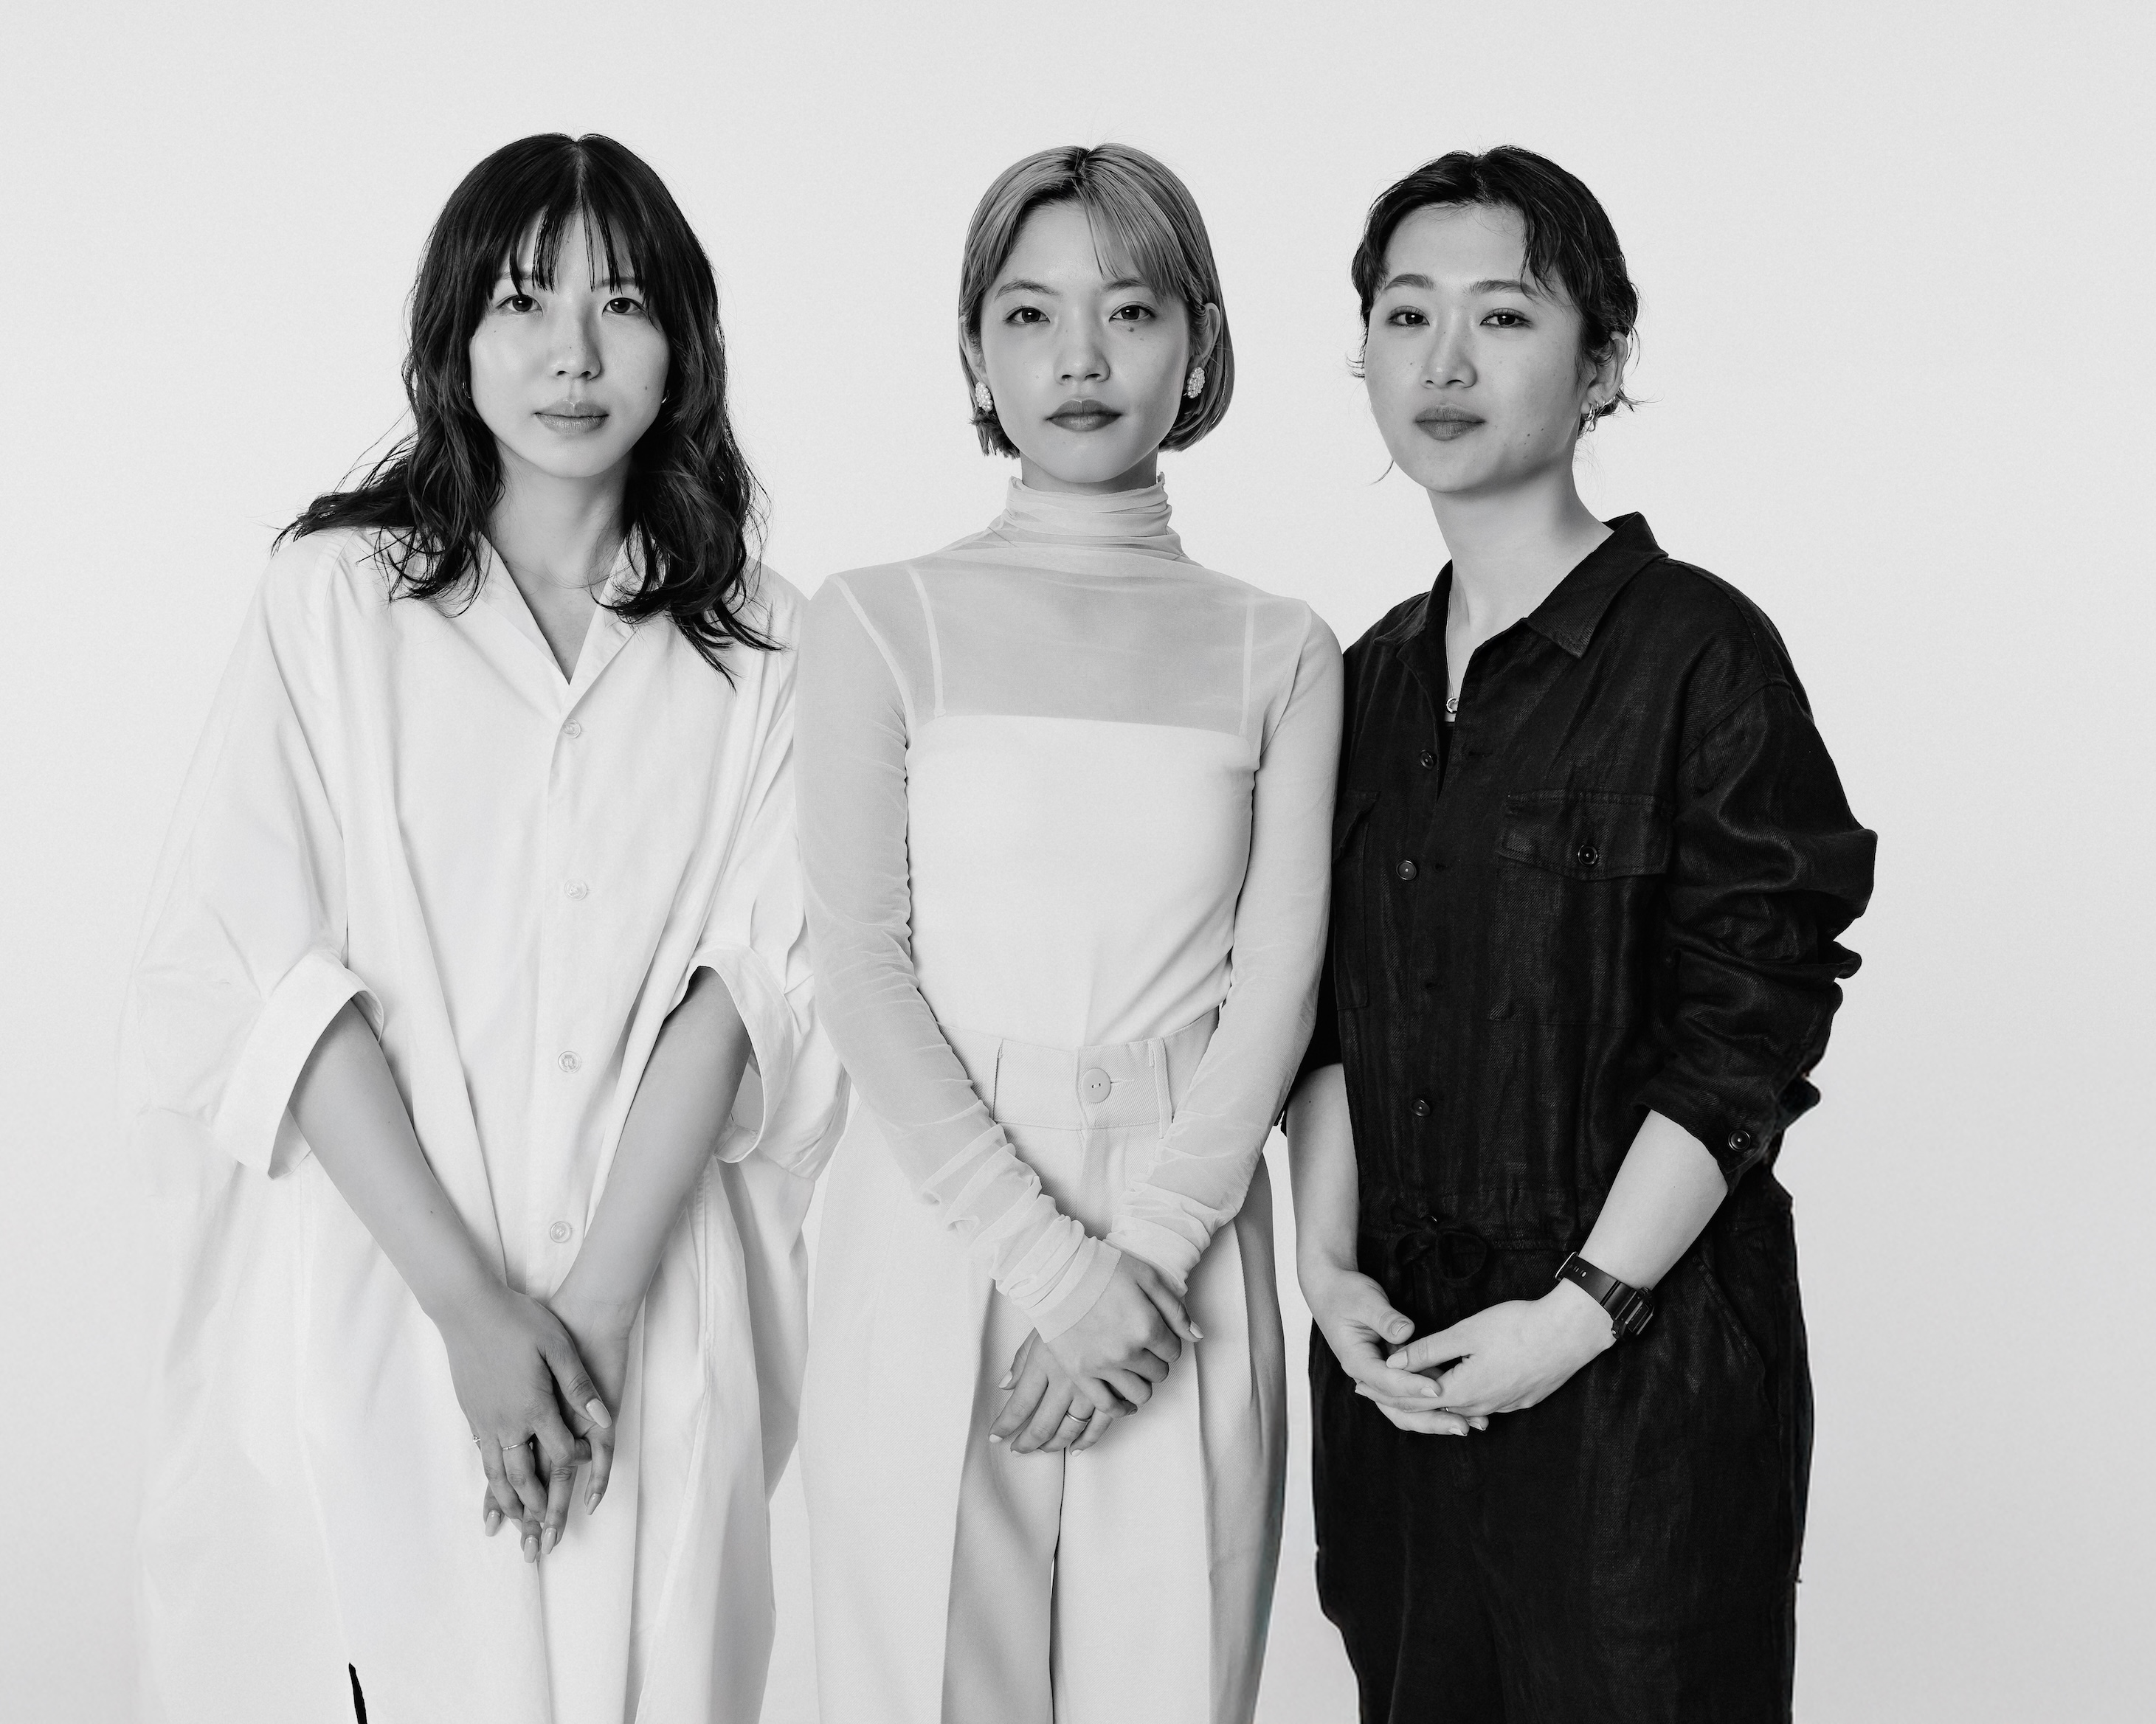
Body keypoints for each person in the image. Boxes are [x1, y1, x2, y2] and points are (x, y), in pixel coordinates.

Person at [119, 133, 845, 1724]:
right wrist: (468, 1308)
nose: (573, 353)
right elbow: (261, 974)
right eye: (524, 301)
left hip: (645, 1309)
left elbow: (757, 992)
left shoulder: (772, 644)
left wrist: (590, 1313)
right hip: (376, 1284)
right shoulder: (335, 599)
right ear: (455, 335)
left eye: (622, 304)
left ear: (684, 344)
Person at [1285, 146, 1876, 1723]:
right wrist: (1325, 1270)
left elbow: (1749, 1022)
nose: (1446, 362)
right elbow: (1323, 1018)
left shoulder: (1700, 654)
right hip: (1403, 1384)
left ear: (1603, 363)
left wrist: (1578, 1312)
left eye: (1503, 315)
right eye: (1405, 315)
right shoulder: (1357, 684)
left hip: (1643, 1389)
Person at [794, 143, 1338, 1724]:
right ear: (976, 352)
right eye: (1029, 315)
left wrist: (1143, 1263)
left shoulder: (1280, 649)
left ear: (1201, 344)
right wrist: (1047, 1265)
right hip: (938, 1212)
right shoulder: (876, 618)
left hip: (1187, 1227)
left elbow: (1279, 986)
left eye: (1132, 310)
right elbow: (860, 967)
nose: (1080, 358)